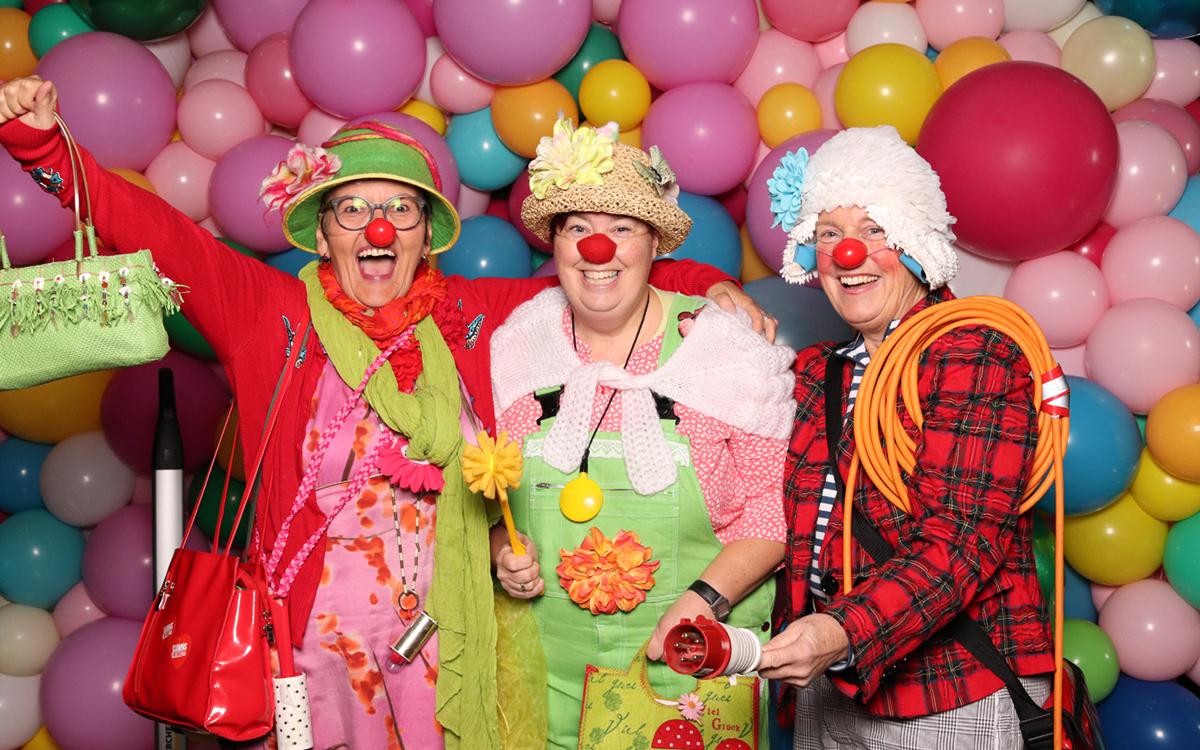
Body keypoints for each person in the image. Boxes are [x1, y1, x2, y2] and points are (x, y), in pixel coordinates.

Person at [0, 77, 767, 750]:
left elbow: (596, 278)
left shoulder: (471, 316)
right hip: (311, 647)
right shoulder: (268, 312)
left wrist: (706, 284)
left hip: (445, 640)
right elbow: (159, 234)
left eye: (401, 209)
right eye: (354, 210)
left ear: (428, 234)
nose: (379, 230)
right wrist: (43, 147)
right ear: (322, 231)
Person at [488, 119, 797, 749]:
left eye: (622, 228)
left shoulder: (723, 346)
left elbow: (771, 514)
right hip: (543, 686)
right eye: (577, 228)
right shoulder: (519, 344)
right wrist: (501, 552)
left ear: (654, 242)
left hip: (692, 675)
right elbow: (493, 501)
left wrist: (705, 599)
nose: (597, 249)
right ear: (555, 244)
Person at [755, 126, 1055, 749]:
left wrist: (838, 631)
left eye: (874, 230)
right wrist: (713, 289)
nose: (848, 253)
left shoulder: (972, 352)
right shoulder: (817, 373)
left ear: (916, 241)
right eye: (829, 234)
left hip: (950, 687)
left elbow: (962, 541)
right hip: (824, 685)